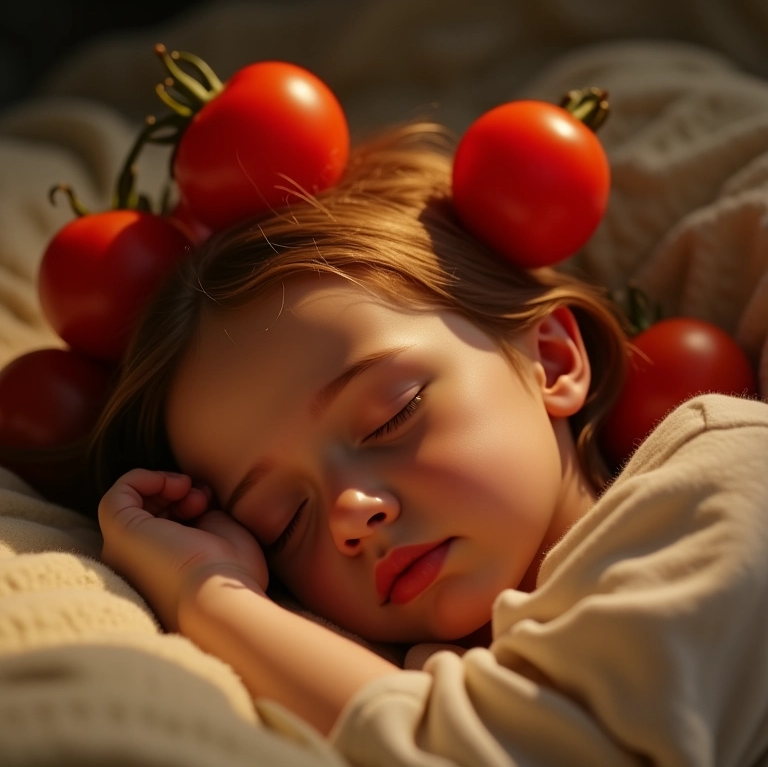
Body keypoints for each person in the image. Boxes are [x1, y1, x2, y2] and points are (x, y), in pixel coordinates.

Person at [93, 122, 768, 765]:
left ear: (553, 360)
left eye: (392, 416)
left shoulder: (726, 479)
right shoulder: (409, 676)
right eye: (283, 522)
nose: (350, 512)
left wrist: (208, 597)